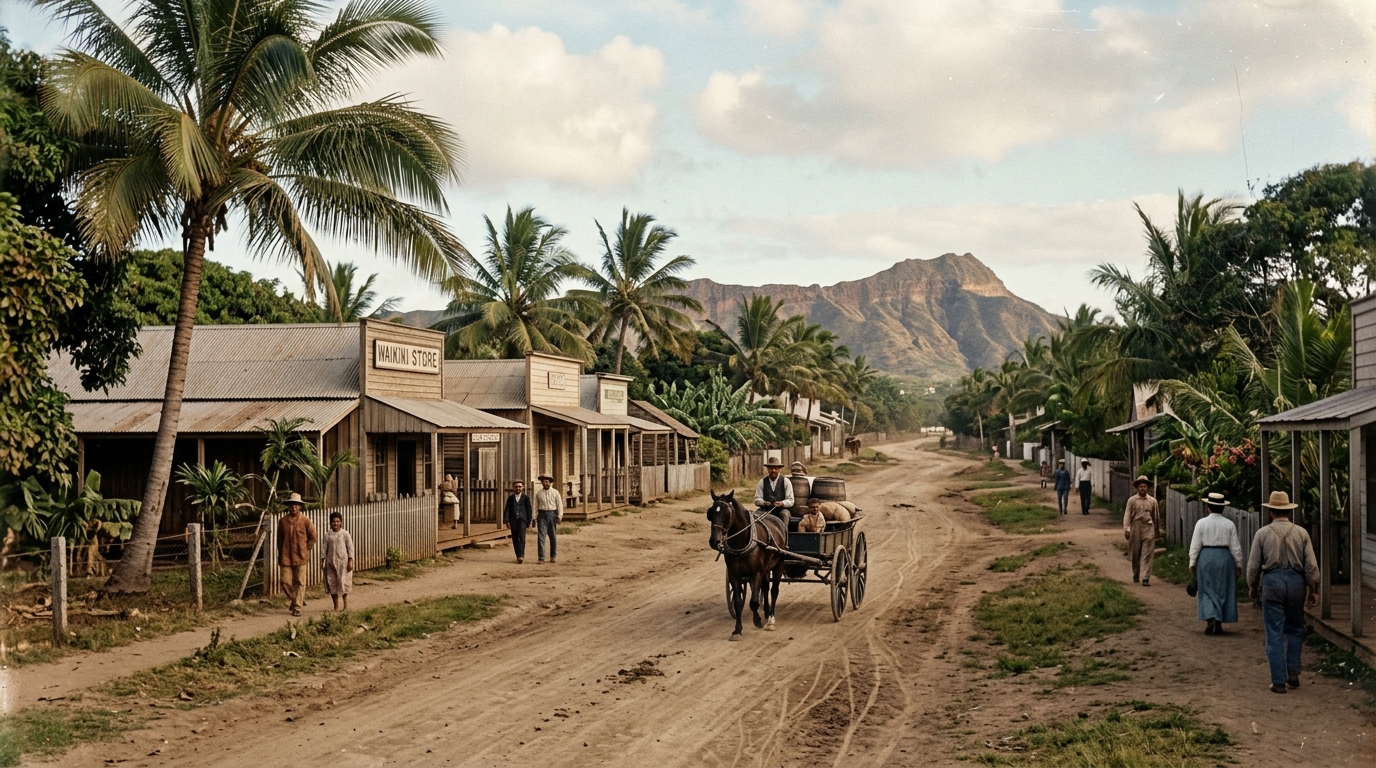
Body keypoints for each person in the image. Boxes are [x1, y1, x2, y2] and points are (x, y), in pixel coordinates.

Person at [1247, 491, 1320, 694]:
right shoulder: (1301, 533)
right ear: (1288, 511)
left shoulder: (1262, 534)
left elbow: (1253, 566)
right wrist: (1313, 589)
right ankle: (1294, 675)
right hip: (1297, 582)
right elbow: (1311, 566)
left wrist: (1252, 587)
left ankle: (1278, 681)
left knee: (1274, 632)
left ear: (1271, 512)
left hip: (1272, 582)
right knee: (1295, 629)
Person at [1188, 492, 1242, 635]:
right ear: (1223, 508)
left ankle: (1210, 617)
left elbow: (1195, 545)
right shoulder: (1229, 524)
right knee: (1222, 589)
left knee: (1206, 589)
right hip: (1224, 557)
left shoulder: (1201, 523)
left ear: (1208, 507)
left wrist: (1192, 562)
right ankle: (1219, 622)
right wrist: (1238, 564)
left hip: (1206, 557)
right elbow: (1235, 547)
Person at [277, 492, 316, 617]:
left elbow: (313, 537)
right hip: (286, 556)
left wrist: (305, 549)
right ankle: (296, 600)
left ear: (300, 507)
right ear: (288, 506)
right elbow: (279, 540)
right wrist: (280, 553)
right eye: (291, 505)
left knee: (299, 582)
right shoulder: (282, 521)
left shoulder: (305, 521)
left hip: (301, 557)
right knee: (285, 582)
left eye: (296, 505)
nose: (294, 507)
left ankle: (297, 607)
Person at [1122, 475, 1157, 586]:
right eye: (1141, 486)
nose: (1143, 488)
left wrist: (1156, 530)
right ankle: (1136, 573)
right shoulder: (1132, 500)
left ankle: (1146, 578)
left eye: (1144, 486)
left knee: (1147, 553)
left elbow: (1156, 516)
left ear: (1147, 488)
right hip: (1135, 527)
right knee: (1135, 553)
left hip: (1148, 527)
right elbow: (1127, 515)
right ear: (1137, 488)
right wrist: (1127, 529)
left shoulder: (1152, 501)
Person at [321, 511, 354, 611]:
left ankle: (345, 606)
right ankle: (336, 606)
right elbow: (323, 549)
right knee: (332, 584)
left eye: (337, 521)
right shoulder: (327, 535)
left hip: (343, 564)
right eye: (333, 521)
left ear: (341, 522)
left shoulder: (345, 534)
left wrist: (350, 561)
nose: (335, 523)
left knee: (343, 583)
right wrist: (322, 561)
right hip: (330, 563)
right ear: (330, 523)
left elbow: (350, 548)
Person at [754, 458, 794, 523]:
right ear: (767, 469)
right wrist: (764, 503)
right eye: (771, 468)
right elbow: (756, 499)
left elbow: (791, 500)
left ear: (779, 469)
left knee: (785, 515)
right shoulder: (762, 482)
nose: (773, 470)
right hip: (765, 509)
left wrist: (782, 503)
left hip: (782, 509)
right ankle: (759, 533)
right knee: (756, 516)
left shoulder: (786, 481)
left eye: (775, 468)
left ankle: (784, 533)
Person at [534, 475, 563, 564]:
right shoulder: (539, 493)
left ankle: (552, 556)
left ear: (550, 483)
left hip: (552, 514)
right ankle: (541, 557)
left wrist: (559, 515)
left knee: (553, 536)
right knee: (541, 537)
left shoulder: (555, 493)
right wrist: (534, 517)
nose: (545, 483)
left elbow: (559, 505)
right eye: (543, 482)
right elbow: (535, 506)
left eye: (547, 482)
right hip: (542, 514)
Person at [503, 480, 533, 564]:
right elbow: (507, 509)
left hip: (522, 520)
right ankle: (517, 555)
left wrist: (529, 521)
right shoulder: (510, 498)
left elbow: (529, 510)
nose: (518, 488)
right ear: (513, 488)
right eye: (516, 487)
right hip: (513, 520)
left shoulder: (525, 498)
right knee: (515, 537)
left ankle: (521, 556)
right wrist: (506, 520)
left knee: (522, 537)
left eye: (520, 486)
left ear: (523, 487)